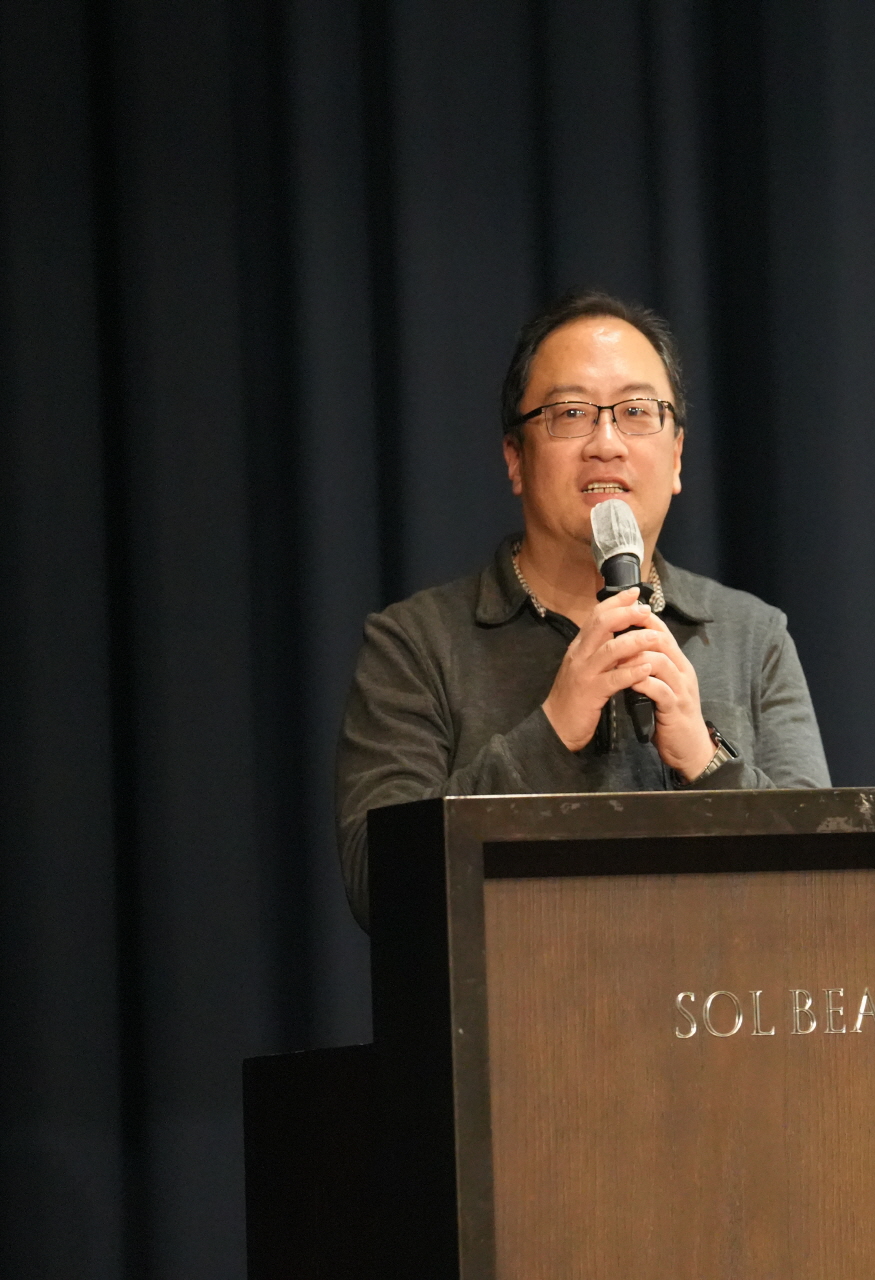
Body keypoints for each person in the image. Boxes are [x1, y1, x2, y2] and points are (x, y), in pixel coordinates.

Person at [335, 290, 831, 926]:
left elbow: (823, 885)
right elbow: (380, 888)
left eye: (636, 412)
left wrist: (705, 761)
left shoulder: (753, 636)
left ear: (677, 457)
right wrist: (551, 733)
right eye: (570, 414)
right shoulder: (414, 645)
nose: (606, 442)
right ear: (515, 458)